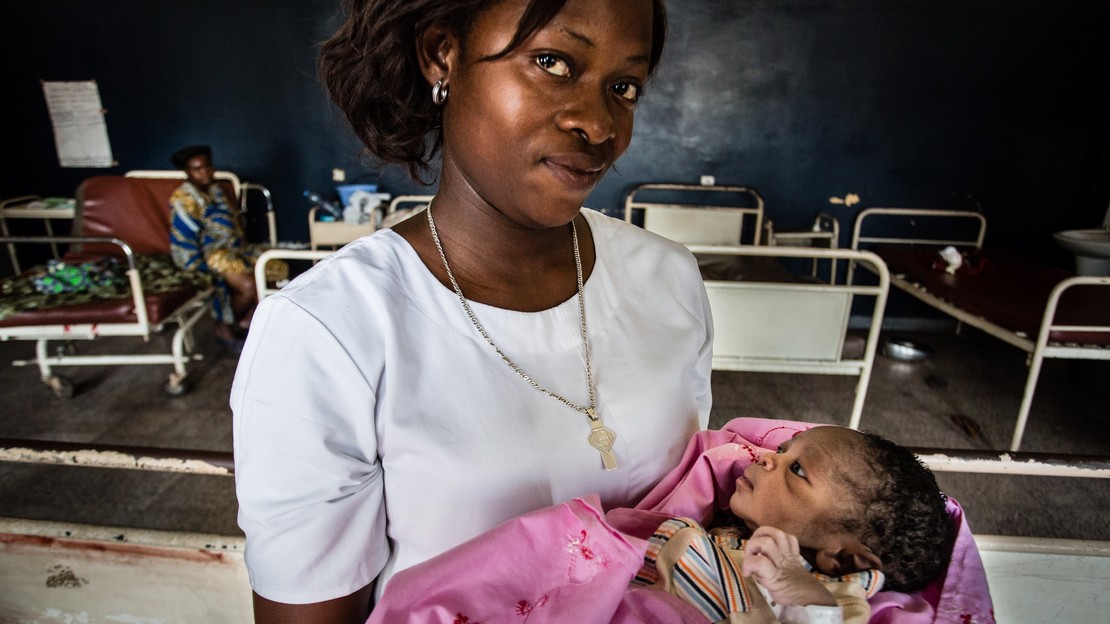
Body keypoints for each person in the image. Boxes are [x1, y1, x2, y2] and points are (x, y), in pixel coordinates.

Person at [231, 0, 711, 622]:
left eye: (623, 86)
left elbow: (696, 520)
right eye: (552, 62)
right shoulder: (330, 331)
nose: (597, 125)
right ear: (443, 56)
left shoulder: (668, 279)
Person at [636, 425, 954, 623]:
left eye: (798, 470)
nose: (765, 458)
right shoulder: (728, 530)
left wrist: (802, 593)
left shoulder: (837, 595)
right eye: (782, 450)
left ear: (843, 558)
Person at [168, 145, 261, 353]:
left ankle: (247, 323)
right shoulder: (184, 198)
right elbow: (183, 237)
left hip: (234, 249)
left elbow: (232, 227)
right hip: (208, 255)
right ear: (187, 172)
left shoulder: (217, 190)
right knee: (248, 286)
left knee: (271, 268)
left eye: (207, 166)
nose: (205, 173)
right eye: (197, 169)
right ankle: (223, 327)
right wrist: (197, 267)